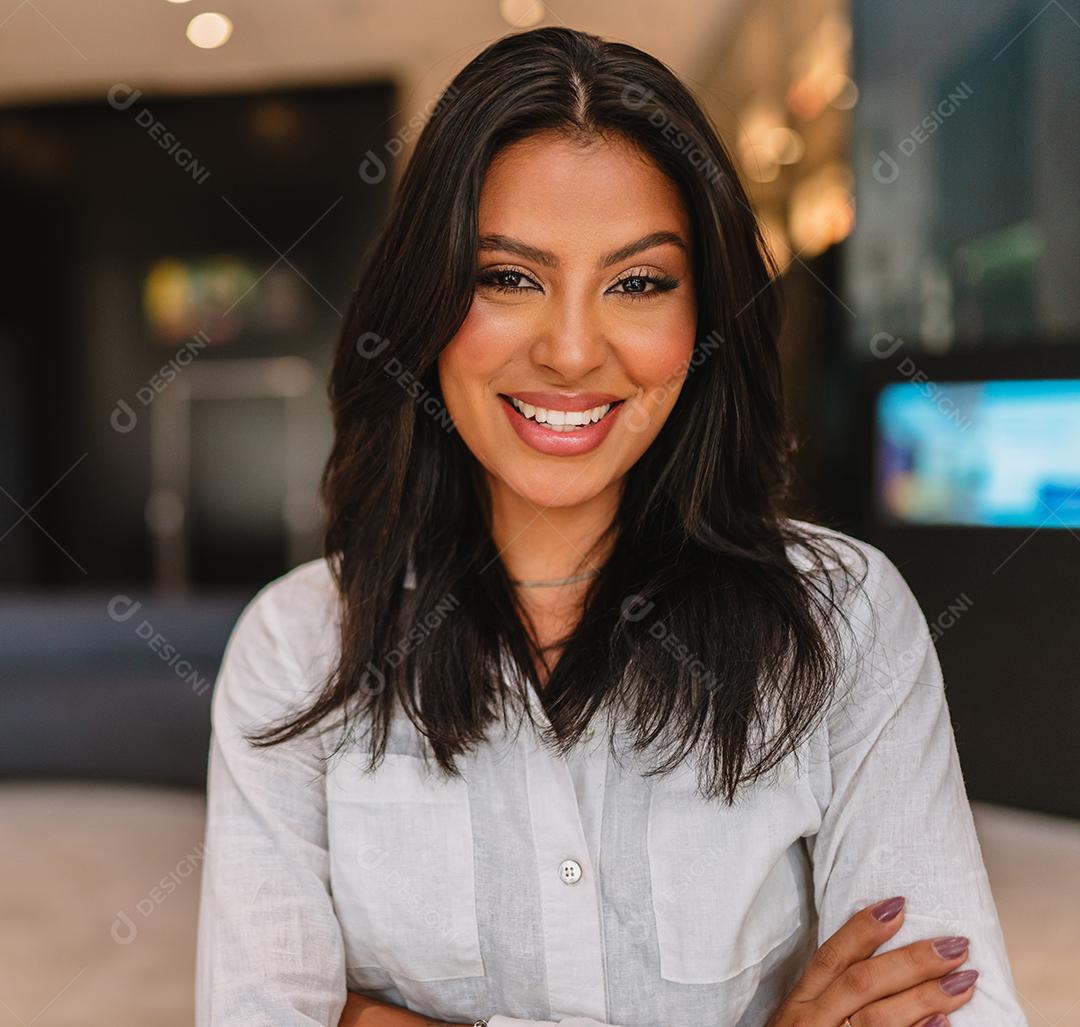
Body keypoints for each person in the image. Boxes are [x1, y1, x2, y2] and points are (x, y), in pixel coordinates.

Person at [194, 25, 1028, 1027]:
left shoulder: (841, 619)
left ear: (704, 316)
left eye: (638, 282)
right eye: (509, 276)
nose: (574, 350)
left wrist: (370, 1016)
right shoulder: (299, 647)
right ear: (424, 298)